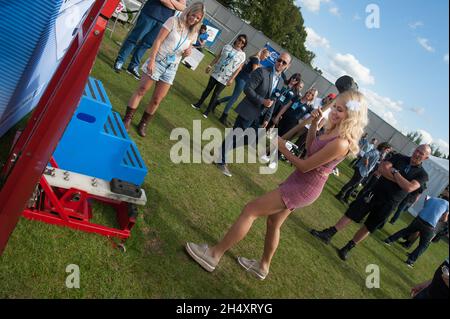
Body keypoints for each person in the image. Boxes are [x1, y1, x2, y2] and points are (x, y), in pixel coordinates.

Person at [185, 89, 369, 280]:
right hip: (300, 181)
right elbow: (310, 148)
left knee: (250, 210)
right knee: (274, 223)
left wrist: (282, 148)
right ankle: (262, 267)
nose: (334, 112)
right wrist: (314, 125)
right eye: (335, 108)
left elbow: (305, 165)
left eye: (340, 110)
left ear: (352, 116)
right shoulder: (332, 131)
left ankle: (213, 255)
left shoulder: (341, 143)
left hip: (304, 187)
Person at [310, 144, 431, 261]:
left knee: (369, 226)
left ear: (426, 158)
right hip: (375, 192)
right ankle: (329, 234)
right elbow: (382, 168)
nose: (418, 153)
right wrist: (401, 181)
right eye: (417, 150)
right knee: (352, 212)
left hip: (390, 203)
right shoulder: (399, 157)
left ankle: (347, 248)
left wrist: (395, 172)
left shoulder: (422, 175)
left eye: (422, 153)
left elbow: (409, 188)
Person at [122, 2, 205, 137]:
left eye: (197, 18)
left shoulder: (193, 33)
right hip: (158, 61)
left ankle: (143, 123)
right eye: (193, 15)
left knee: (157, 99)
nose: (194, 19)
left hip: (171, 68)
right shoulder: (173, 21)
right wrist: (152, 60)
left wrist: (187, 53)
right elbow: (158, 41)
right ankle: (127, 119)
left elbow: (184, 50)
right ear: (189, 11)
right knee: (142, 90)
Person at [213, 53, 292, 177]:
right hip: (249, 109)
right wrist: (262, 101)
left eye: (284, 63)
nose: (280, 63)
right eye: (279, 60)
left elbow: (274, 100)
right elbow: (247, 89)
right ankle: (221, 160)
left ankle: (222, 150)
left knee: (250, 139)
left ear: (288, 66)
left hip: (260, 116)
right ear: (276, 60)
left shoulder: (281, 81)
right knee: (235, 135)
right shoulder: (262, 71)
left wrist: (268, 117)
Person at [113, 0, 187, 79]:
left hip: (164, 20)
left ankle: (133, 66)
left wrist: (171, 2)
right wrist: (174, 5)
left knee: (147, 44)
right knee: (135, 38)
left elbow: (182, 7)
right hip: (150, 12)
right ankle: (120, 61)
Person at [384, 190, 449, 267]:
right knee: (424, 245)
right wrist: (438, 218)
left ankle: (389, 240)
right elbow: (444, 219)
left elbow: (426, 207)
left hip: (419, 219)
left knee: (406, 231)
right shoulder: (448, 205)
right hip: (429, 225)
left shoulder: (432, 198)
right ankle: (410, 260)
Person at [191, 35, 248, 118]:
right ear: (236, 39)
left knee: (216, 94)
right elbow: (218, 56)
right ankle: (198, 104)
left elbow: (239, 68)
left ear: (244, 45)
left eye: (243, 42)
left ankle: (207, 111)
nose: (240, 42)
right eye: (239, 40)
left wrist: (232, 79)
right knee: (208, 89)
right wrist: (210, 65)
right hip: (216, 72)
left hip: (225, 77)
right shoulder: (227, 47)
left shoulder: (242, 55)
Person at [213, 48, 271, 126]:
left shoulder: (256, 59)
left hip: (242, 78)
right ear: (262, 53)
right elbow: (255, 71)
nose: (266, 58)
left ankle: (217, 102)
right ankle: (224, 116)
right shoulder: (256, 60)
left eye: (267, 57)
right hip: (243, 79)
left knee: (234, 96)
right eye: (266, 56)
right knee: (234, 98)